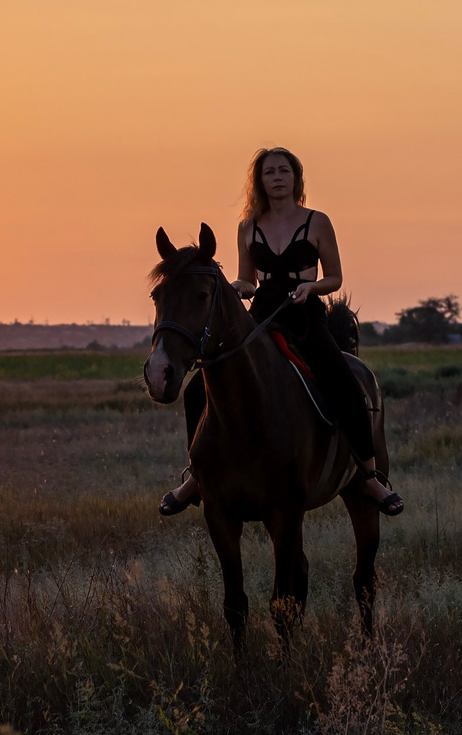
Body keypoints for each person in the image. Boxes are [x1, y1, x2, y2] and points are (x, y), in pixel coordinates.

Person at [160, 147, 403, 517]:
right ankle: (197, 476)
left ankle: (369, 475)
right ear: (259, 181)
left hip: (305, 315)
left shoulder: (317, 222)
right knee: (198, 389)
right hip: (262, 316)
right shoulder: (248, 226)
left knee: (344, 381)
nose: (276, 177)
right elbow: (248, 278)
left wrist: (312, 288)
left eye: (283, 171)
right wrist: (241, 287)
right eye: (269, 172)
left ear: (296, 178)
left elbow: (335, 277)